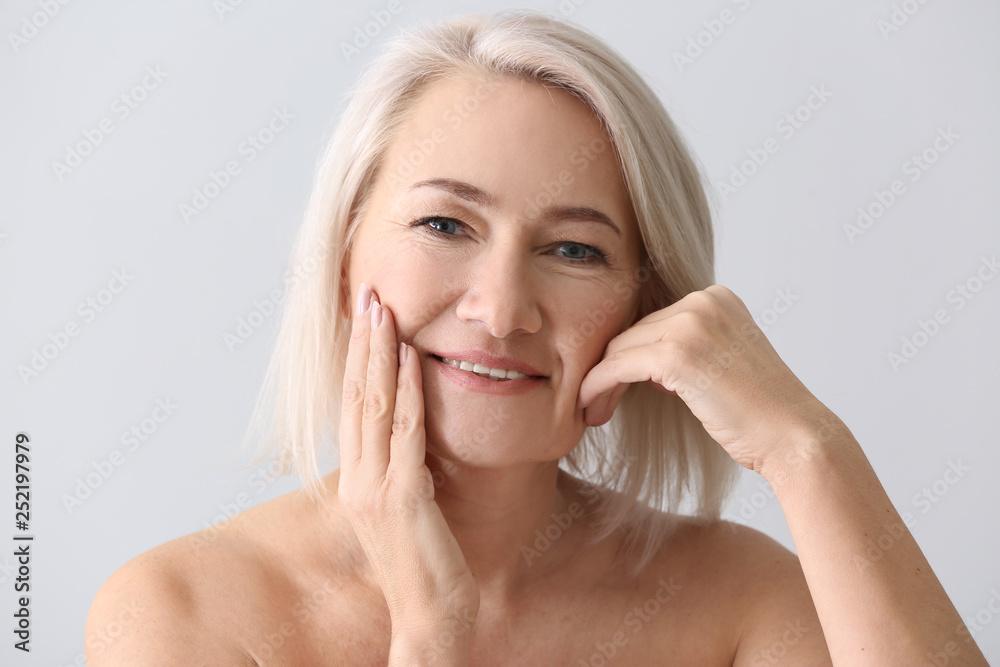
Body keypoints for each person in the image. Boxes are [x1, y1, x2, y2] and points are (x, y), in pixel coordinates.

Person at [85, 9, 988, 666]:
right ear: (342, 256)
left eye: (573, 249)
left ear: (647, 313)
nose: (503, 307)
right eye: (445, 225)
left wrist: (807, 449)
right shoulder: (180, 612)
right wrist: (432, 638)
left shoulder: (744, 601)